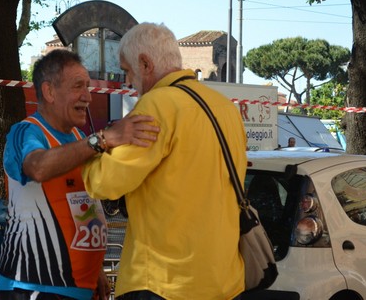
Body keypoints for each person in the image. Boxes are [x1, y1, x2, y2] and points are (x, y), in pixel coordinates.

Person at [82, 23, 248, 300]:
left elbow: (104, 183)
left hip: (164, 283)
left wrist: (100, 142)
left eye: (127, 71)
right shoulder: (226, 108)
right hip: (224, 281)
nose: (127, 82)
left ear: (145, 64)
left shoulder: (157, 105)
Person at [0, 49, 159, 300]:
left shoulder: (78, 139)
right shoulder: (26, 132)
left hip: (80, 288)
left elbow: (85, 207)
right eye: (78, 86)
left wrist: (97, 269)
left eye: (89, 87)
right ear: (49, 92)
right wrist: (103, 139)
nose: (88, 97)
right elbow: (38, 167)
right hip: (33, 288)